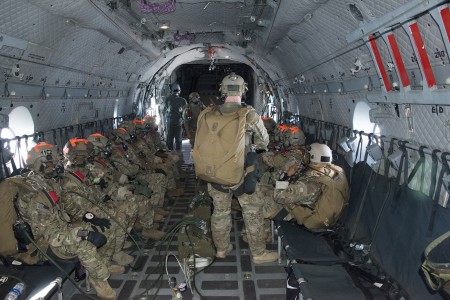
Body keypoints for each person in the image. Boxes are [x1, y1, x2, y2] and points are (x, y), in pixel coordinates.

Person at [2, 142, 118, 300]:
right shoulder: (33, 195)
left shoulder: (48, 183)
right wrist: (84, 234)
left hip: (62, 229)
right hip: (44, 246)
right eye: (52, 162)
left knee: (104, 226)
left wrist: (90, 217)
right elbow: (51, 236)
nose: (57, 164)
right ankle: (100, 282)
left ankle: (101, 266)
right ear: (41, 164)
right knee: (84, 245)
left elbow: (67, 206)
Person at [206, 73, 278, 264]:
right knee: (252, 211)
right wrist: (249, 147)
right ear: (243, 89)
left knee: (220, 212)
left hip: (216, 173)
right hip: (241, 173)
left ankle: (221, 249)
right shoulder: (250, 114)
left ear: (222, 90)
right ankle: (258, 253)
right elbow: (264, 141)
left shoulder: (211, 113)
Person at [164, 82, 187, 150]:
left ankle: (170, 154)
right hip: (178, 121)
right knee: (178, 139)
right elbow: (185, 112)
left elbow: (166, 108)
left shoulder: (168, 99)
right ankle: (178, 154)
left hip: (170, 121)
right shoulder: (183, 100)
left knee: (170, 139)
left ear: (172, 90)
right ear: (179, 91)